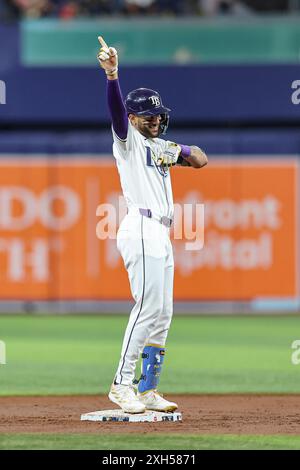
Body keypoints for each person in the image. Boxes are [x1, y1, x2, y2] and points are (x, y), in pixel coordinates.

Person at [97, 36, 208, 414]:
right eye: (150, 116)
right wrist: (113, 75)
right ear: (133, 118)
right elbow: (115, 112)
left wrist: (179, 151)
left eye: (160, 115)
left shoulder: (159, 145)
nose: (157, 119)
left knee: (163, 313)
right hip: (140, 227)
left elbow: (202, 160)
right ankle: (121, 384)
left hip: (161, 231)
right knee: (146, 306)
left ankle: (147, 390)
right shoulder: (126, 140)